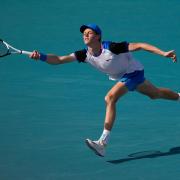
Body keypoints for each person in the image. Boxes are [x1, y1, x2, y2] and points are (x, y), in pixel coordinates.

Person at [30, 23, 179, 157]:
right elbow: (59, 60)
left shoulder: (112, 47)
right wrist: (41, 56)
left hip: (133, 73)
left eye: (89, 33)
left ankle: (102, 143)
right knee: (155, 94)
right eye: (84, 33)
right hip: (123, 76)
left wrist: (163, 53)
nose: (85, 35)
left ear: (98, 36)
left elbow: (140, 45)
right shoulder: (84, 54)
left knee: (110, 98)